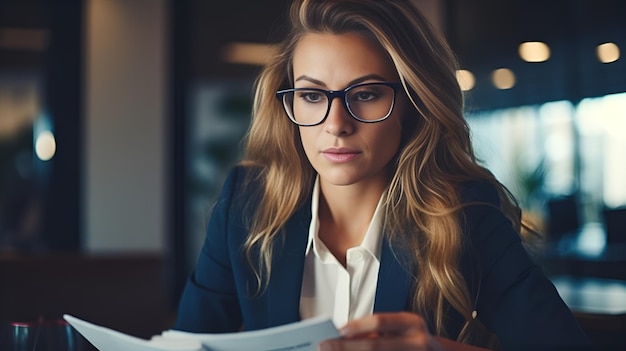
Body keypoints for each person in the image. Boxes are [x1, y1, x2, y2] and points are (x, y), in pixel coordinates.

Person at [174, 0, 593, 350]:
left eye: (367, 94)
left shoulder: (466, 211)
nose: (336, 124)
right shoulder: (246, 204)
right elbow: (188, 343)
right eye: (312, 95)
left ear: (412, 101)